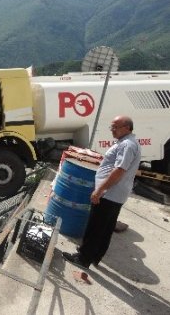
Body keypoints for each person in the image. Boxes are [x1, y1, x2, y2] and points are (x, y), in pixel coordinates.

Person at [62, 115, 141, 269]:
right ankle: (95, 256)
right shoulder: (128, 143)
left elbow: (119, 170)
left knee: (96, 227)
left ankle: (83, 258)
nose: (112, 130)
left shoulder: (127, 145)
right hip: (116, 194)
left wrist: (99, 190)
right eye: (111, 126)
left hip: (109, 194)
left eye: (115, 127)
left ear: (127, 128)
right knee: (105, 228)